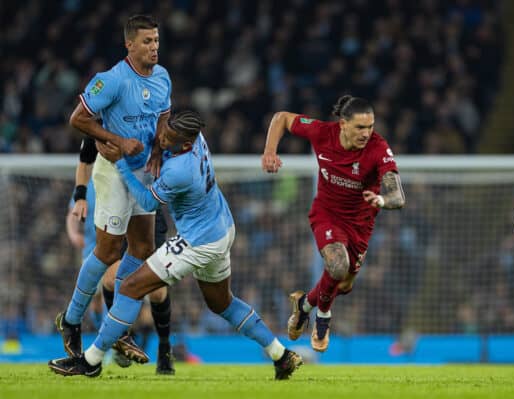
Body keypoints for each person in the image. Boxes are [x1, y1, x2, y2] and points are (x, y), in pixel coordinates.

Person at [48, 110, 303, 380]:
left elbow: (147, 203)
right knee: (222, 304)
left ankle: (90, 361)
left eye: (169, 138)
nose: (162, 138)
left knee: (131, 286)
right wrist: (159, 149)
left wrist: (121, 164)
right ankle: (281, 355)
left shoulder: (179, 171)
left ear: (184, 145)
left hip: (199, 240)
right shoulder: (195, 137)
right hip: (221, 227)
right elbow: (166, 135)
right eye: (165, 132)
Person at [55, 14, 172, 367]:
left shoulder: (164, 77)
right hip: (113, 173)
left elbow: (164, 115)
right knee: (107, 252)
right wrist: (116, 140)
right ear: (130, 45)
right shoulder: (111, 81)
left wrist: (156, 150)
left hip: (144, 173)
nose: (154, 47)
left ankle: (116, 324)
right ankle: (72, 319)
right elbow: (78, 118)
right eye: (147, 42)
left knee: (143, 248)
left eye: (156, 40)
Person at [261, 95, 406, 352]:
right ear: (342, 124)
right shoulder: (322, 133)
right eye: (360, 127)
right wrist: (270, 152)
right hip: (326, 214)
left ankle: (304, 305)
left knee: (344, 284)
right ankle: (323, 319)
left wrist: (382, 200)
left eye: (370, 126)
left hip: (360, 225)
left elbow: (398, 196)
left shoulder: (378, 148)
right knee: (338, 267)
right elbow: (281, 118)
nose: (366, 133)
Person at [66, 137, 175, 374]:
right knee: (109, 279)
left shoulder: (149, 119)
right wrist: (80, 197)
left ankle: (165, 348)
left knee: (156, 291)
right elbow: (85, 160)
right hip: (117, 216)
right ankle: (121, 336)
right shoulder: (100, 126)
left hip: (146, 211)